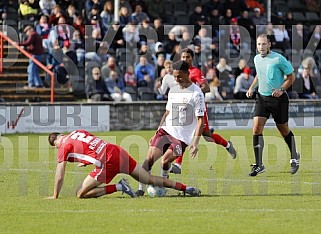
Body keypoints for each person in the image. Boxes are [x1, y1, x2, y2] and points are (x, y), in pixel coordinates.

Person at [46, 129, 201, 199]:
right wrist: (88, 161)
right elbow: (92, 144)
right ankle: (187, 188)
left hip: (107, 161)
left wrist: (55, 195)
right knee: (148, 179)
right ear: (62, 134)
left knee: (81, 193)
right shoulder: (77, 132)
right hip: (116, 151)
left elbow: (60, 174)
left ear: (55, 145)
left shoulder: (62, 147)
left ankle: (120, 186)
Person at [136, 60, 205, 196]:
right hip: (166, 130)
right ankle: (140, 190)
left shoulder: (196, 94)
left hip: (182, 138)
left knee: (165, 161)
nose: (176, 79)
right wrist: (158, 129)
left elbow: (200, 120)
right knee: (148, 159)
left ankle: (164, 180)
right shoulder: (173, 90)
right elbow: (167, 112)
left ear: (187, 73)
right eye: (174, 76)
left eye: (179, 76)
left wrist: (195, 142)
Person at [169, 48, 237, 174]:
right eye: (183, 57)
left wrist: (194, 91)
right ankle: (178, 164)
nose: (185, 59)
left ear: (192, 58)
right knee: (182, 134)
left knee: (207, 136)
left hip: (197, 109)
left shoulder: (195, 72)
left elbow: (206, 88)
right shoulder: (179, 72)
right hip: (184, 109)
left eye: (187, 57)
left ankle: (227, 145)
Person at [246, 34, 300, 176]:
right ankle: (259, 165)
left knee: (283, 130)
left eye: (264, 44)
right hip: (262, 98)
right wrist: (252, 87)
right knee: (256, 129)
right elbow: (259, 75)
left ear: (269, 44)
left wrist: (281, 89)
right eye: (258, 44)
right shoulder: (256, 59)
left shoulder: (278, 58)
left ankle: (294, 155)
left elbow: (291, 76)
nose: (261, 47)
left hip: (278, 100)